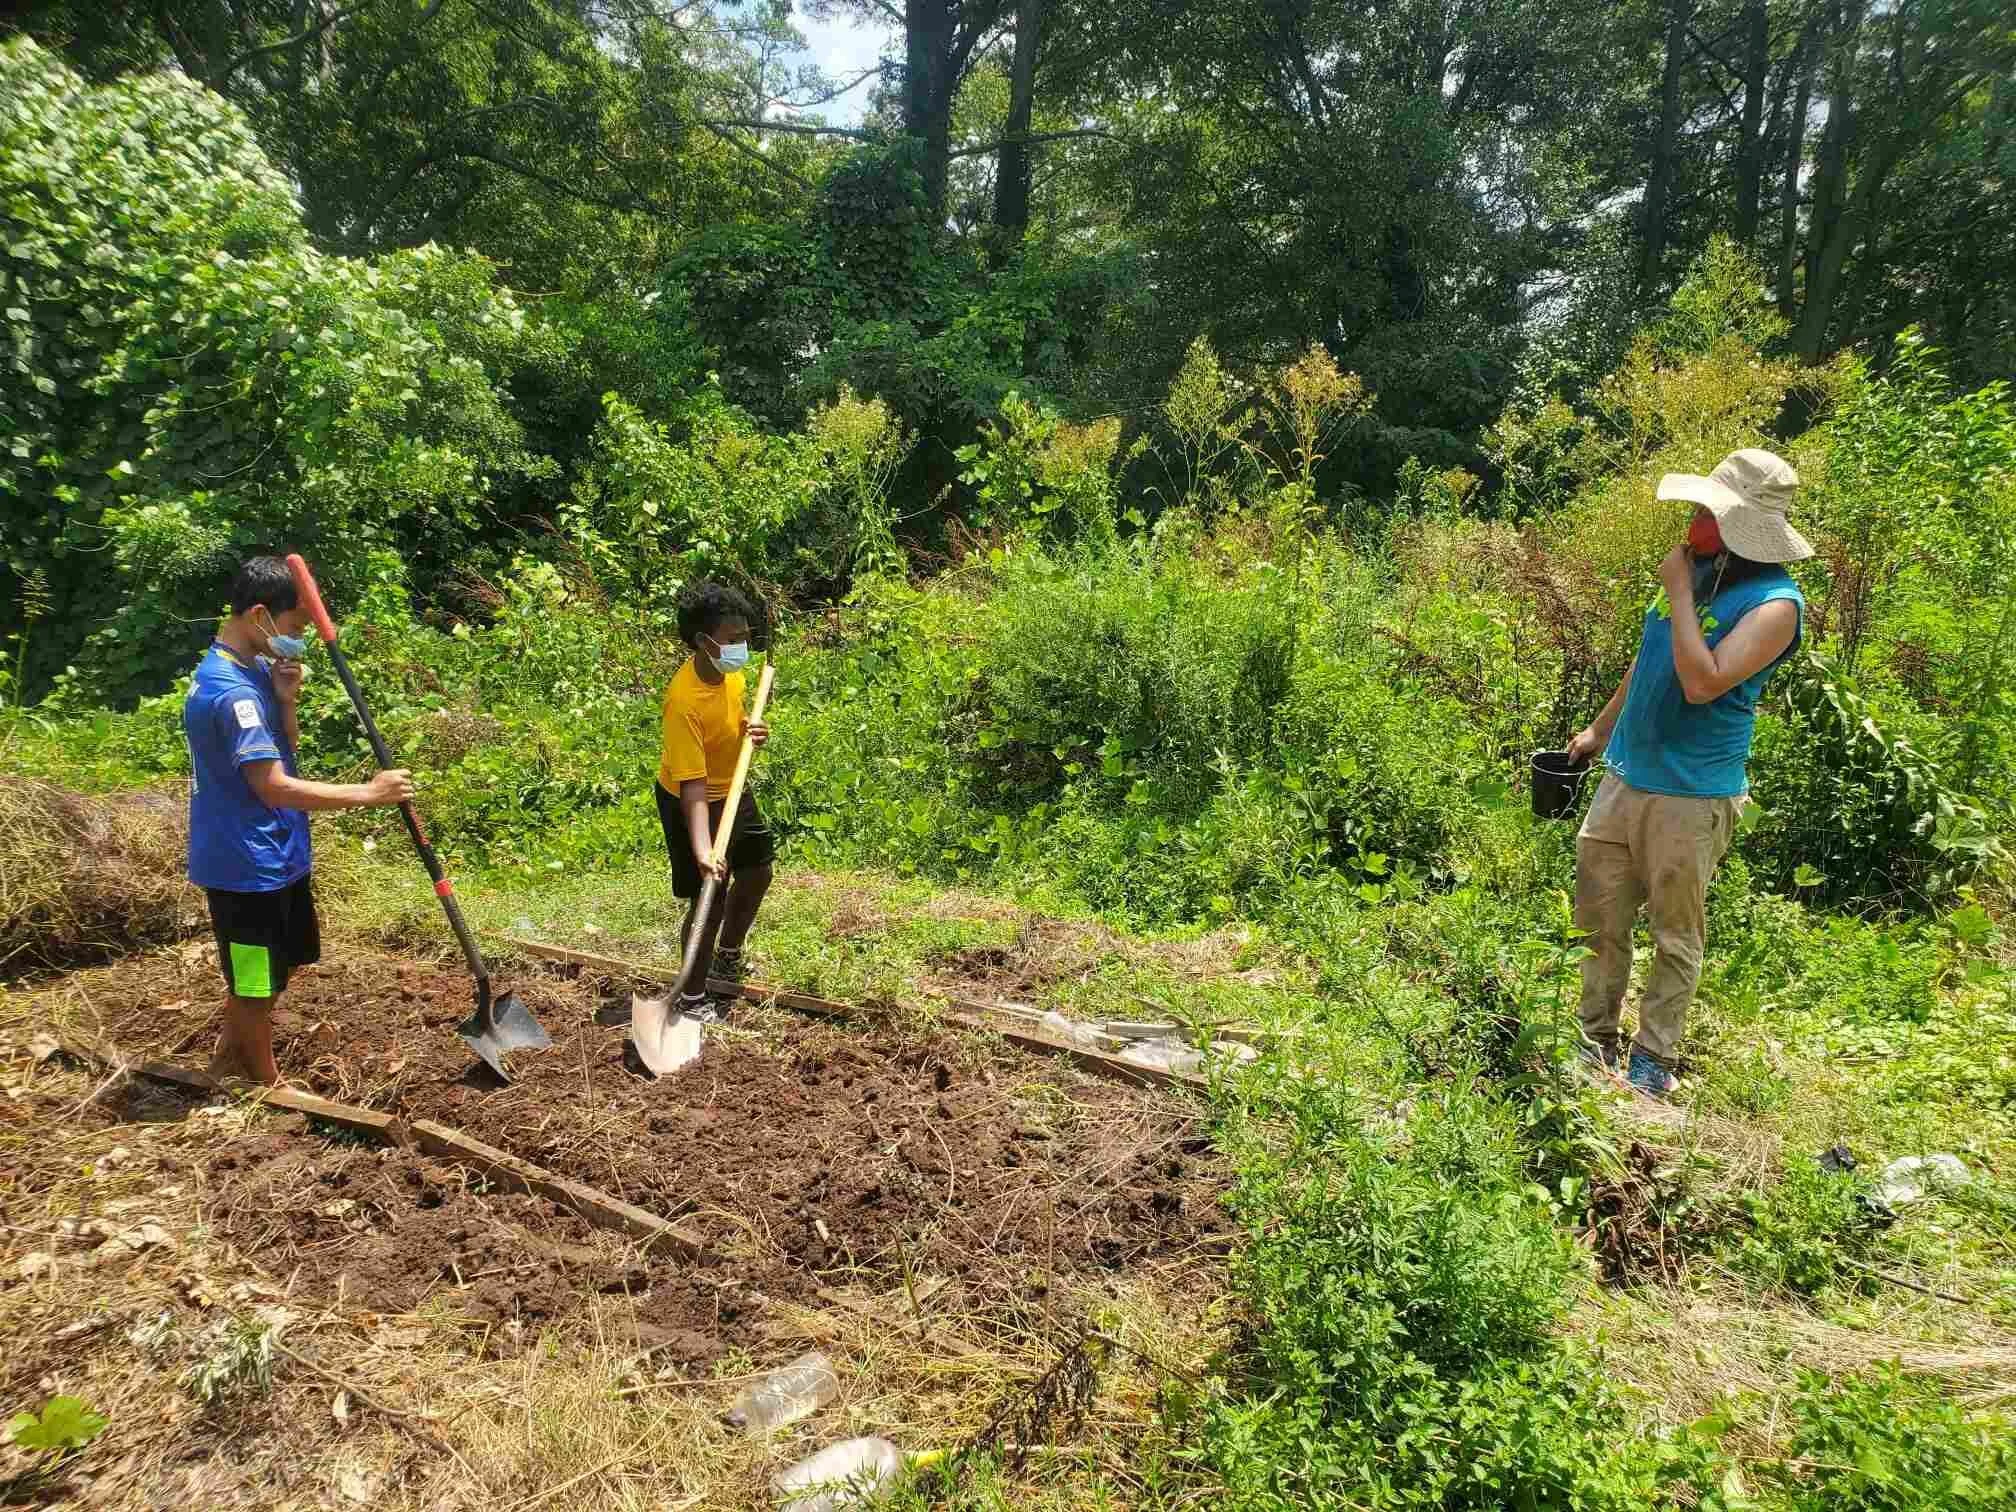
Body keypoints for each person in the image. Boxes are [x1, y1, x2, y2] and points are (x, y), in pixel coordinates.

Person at [1565, 448, 1812, 1099]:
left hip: (1691, 796)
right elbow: (1652, 661)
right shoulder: (1698, 573)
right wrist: (1600, 730)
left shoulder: (1775, 605)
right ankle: (1595, 1039)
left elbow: (1702, 682)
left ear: (1738, 527)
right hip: (1625, 778)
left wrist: (1677, 590)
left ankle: (1653, 1058)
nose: (1694, 520)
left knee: (1674, 933)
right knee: (1597, 917)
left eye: (1706, 511)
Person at [185, 556, 415, 1085]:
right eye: (293, 628)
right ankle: (265, 1083)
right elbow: (272, 785)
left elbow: (283, 755)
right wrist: (368, 793)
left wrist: (286, 702)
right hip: (243, 866)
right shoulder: (230, 691)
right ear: (260, 614)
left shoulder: (256, 675)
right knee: (253, 982)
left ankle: (230, 1053)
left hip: (276, 852)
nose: (297, 642)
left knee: (278, 967)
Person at [656, 581, 773, 1022]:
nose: (742, 646)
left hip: (732, 785)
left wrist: (750, 729)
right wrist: (704, 850)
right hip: (691, 800)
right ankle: (690, 997)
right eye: (732, 639)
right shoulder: (683, 701)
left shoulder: (731, 673)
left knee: (758, 870)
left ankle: (728, 953)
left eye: (746, 636)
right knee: (712, 891)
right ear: (703, 643)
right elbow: (691, 786)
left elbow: (732, 721)